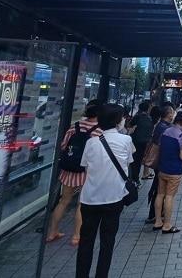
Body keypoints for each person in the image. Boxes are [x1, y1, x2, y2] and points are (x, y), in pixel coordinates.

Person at [76, 104, 134, 278]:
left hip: (89, 199)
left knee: (86, 242)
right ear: (118, 121)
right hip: (114, 198)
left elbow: (85, 167)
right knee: (107, 243)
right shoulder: (125, 140)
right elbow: (128, 162)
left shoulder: (91, 142)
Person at [47, 101, 101, 246]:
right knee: (81, 204)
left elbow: (63, 146)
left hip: (69, 170)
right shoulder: (99, 131)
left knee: (64, 201)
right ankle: (76, 236)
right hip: (86, 172)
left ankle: (53, 231)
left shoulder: (75, 126)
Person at [154, 110, 182, 234]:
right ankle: (167, 225)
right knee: (169, 196)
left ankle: (158, 221)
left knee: (160, 194)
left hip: (162, 168)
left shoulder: (165, 131)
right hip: (174, 171)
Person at [145, 105, 174, 224]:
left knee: (158, 189)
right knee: (160, 190)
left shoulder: (160, 125)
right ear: (169, 114)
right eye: (172, 112)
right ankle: (154, 214)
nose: (174, 114)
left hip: (160, 162)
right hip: (162, 162)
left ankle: (155, 214)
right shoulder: (165, 128)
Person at [128, 101, 153, 186]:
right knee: (138, 162)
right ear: (147, 109)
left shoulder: (137, 117)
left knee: (132, 161)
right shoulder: (149, 119)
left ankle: (132, 178)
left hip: (134, 142)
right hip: (144, 144)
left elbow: (130, 126)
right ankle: (136, 179)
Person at [143, 105, 162, 180]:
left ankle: (146, 172)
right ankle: (145, 173)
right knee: (149, 156)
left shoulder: (149, 119)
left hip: (148, 139)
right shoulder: (157, 122)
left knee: (147, 156)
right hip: (152, 140)